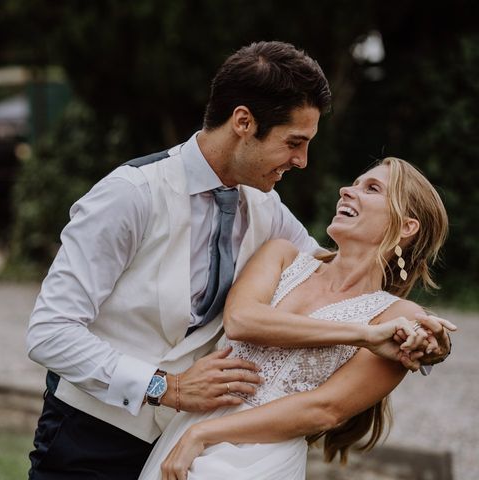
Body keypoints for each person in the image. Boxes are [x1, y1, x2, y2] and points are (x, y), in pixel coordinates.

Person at [26, 41, 450, 479]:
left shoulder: (266, 210)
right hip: (91, 434)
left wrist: (430, 338)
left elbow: (340, 278)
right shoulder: (131, 194)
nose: (302, 162)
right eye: (294, 142)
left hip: (194, 447)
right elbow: (49, 333)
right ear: (244, 122)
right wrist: (164, 387)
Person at [140, 157, 455, 480]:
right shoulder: (282, 255)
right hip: (190, 428)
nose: (347, 191)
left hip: (262, 455)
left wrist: (203, 434)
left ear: (406, 226)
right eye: (354, 183)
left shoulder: (398, 316)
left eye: (372, 188)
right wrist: (362, 335)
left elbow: (324, 410)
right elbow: (242, 321)